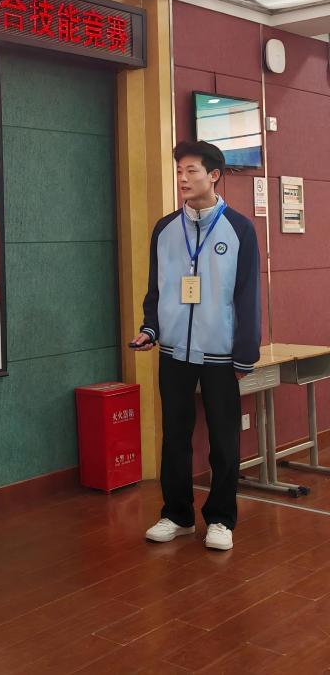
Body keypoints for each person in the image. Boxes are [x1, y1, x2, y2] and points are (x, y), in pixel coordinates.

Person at [130, 140, 260, 551]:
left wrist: (246, 352)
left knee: (224, 439)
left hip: (221, 353)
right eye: (179, 171)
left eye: (192, 171)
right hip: (174, 352)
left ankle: (221, 519)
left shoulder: (239, 229)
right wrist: (151, 329)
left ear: (214, 175)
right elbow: (157, 289)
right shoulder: (165, 229)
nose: (183, 179)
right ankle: (177, 515)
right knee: (175, 436)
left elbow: (247, 295)